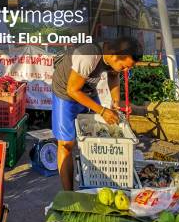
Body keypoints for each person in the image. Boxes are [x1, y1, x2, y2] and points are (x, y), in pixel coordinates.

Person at [52, 37, 142, 191]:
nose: (126, 71)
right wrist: (101, 110)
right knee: (66, 144)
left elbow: (113, 75)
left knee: (100, 135)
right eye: (125, 66)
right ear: (114, 55)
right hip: (65, 91)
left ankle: (98, 180)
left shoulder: (112, 59)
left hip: (87, 89)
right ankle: (69, 194)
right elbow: (72, 90)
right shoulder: (89, 55)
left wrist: (115, 102)